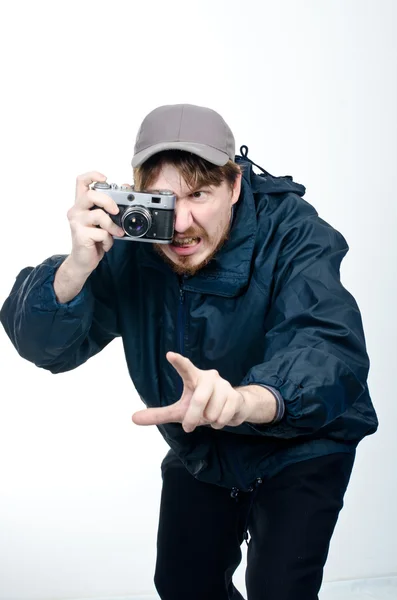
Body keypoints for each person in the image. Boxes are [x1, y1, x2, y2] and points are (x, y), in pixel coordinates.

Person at [0, 103, 378, 600]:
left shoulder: (294, 232)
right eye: (161, 199)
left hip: (301, 439)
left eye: (199, 194)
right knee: (182, 584)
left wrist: (244, 400)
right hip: (202, 443)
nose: (179, 223)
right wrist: (75, 268)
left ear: (235, 185)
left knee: (279, 588)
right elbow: (42, 347)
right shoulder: (133, 241)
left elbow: (328, 346)